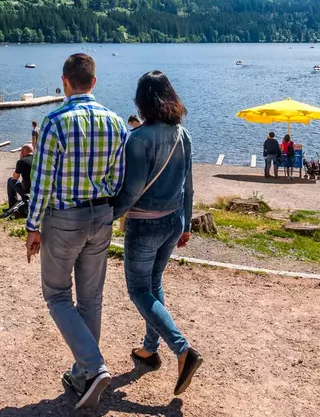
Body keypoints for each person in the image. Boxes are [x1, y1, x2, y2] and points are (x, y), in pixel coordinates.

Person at [25, 53, 129, 410]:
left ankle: (92, 366)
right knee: (91, 299)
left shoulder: (55, 121)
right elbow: (119, 179)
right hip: (102, 216)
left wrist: (32, 226)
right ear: (94, 82)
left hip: (64, 217)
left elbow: (41, 182)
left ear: (64, 81)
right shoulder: (117, 123)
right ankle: (84, 374)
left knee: (56, 296)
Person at [114, 71, 203, 397]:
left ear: (143, 101)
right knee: (154, 284)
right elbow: (189, 187)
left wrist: (107, 216)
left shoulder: (138, 139)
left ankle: (183, 350)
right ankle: (150, 349)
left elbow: (132, 192)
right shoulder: (184, 135)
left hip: (146, 225)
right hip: (174, 220)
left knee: (139, 290)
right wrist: (188, 223)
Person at [7, 143, 34, 213]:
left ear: (22, 151)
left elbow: (15, 177)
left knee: (11, 180)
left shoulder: (22, 161)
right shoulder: (38, 159)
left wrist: (20, 160)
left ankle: (12, 205)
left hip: (27, 191)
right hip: (38, 190)